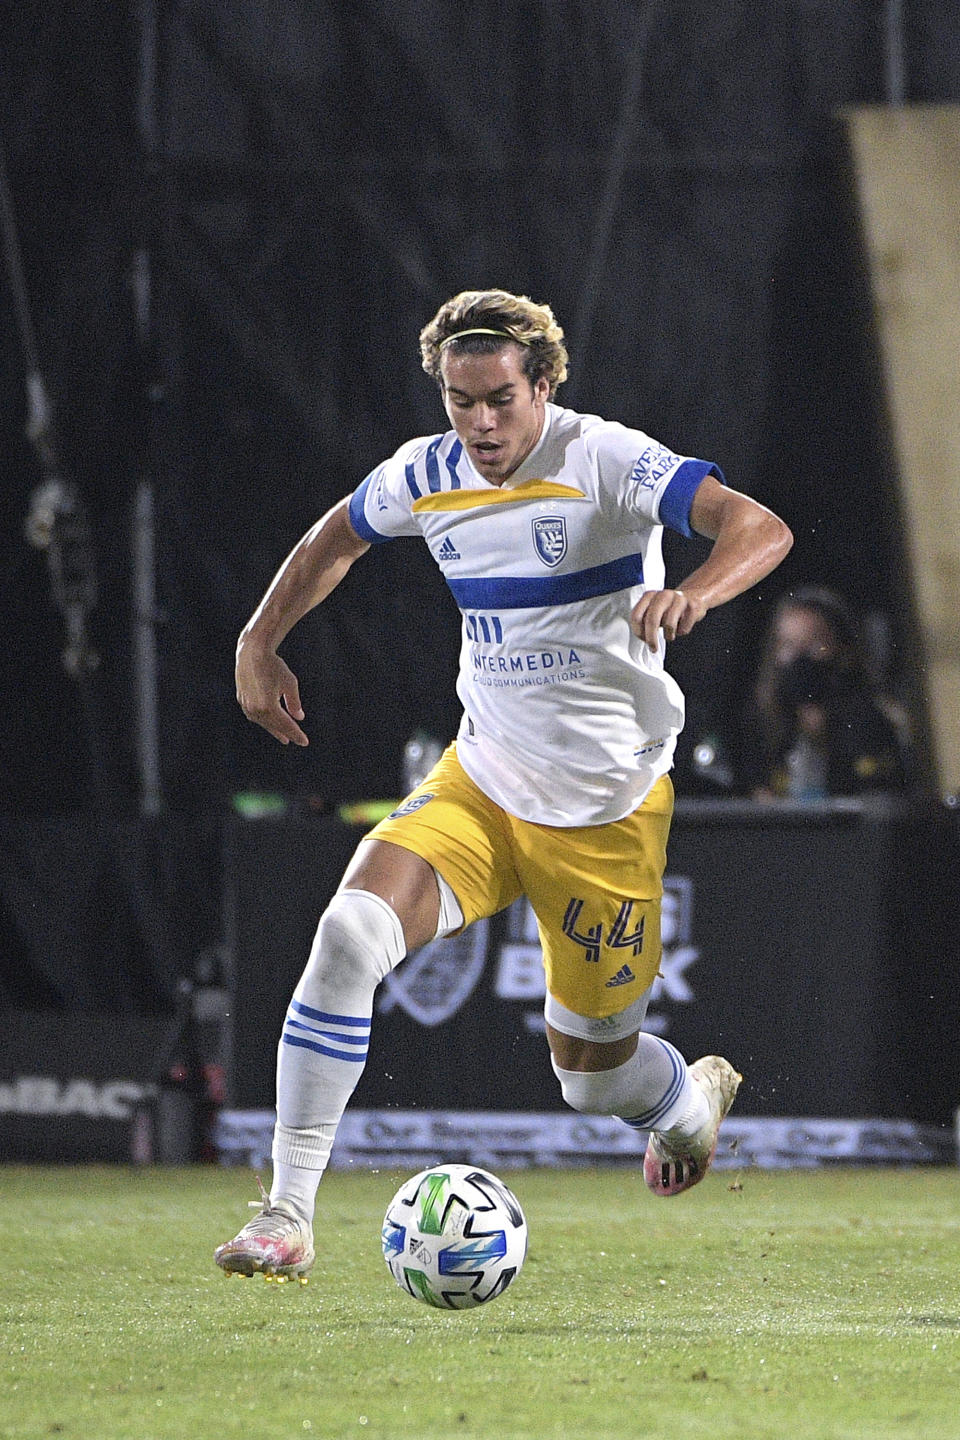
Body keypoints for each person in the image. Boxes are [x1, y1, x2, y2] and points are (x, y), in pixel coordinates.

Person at [215, 288, 793, 1281]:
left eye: (499, 401)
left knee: (590, 1083)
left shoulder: (604, 459)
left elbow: (760, 527)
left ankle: (689, 1110)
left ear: (545, 387)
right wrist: (259, 637)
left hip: (603, 812)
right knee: (351, 935)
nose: (480, 425)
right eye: (459, 401)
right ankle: (287, 1214)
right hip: (480, 779)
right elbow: (336, 537)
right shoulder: (426, 471)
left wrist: (693, 590)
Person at [744, 585, 909, 802]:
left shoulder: (873, 726)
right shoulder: (762, 727)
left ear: (844, 650)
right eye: (788, 645)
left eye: (814, 645)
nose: (799, 659)